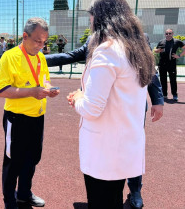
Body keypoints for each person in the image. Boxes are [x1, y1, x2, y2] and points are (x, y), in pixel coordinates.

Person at [46, 33, 163, 209]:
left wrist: (158, 100)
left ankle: (135, 190)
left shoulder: (138, 37)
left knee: (129, 150)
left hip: (129, 112)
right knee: (105, 159)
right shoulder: (94, 37)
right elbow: (73, 55)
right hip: (101, 109)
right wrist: (38, 58)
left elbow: (149, 69)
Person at [67, 0, 156, 209]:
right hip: (124, 146)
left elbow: (91, 108)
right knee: (113, 200)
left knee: (102, 202)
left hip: (104, 151)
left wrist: (77, 96)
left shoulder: (107, 51)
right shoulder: (135, 49)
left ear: (100, 17)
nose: (89, 21)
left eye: (91, 16)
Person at [0, 17, 59, 209]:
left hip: (37, 117)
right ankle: (9, 201)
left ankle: (24, 194)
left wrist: (49, 89)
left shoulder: (40, 57)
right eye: (37, 41)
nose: (41, 46)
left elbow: (44, 80)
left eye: (44, 42)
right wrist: (33, 91)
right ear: (25, 36)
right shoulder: (9, 57)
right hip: (17, 119)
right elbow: (2, 91)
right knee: (12, 162)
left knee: (32, 160)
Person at [154, 28, 185, 101]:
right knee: (163, 80)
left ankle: (174, 95)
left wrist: (179, 56)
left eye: (170, 33)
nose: (168, 35)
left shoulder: (177, 42)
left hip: (172, 64)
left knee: (173, 80)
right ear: (165, 34)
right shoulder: (161, 42)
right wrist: (158, 50)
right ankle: (164, 95)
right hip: (162, 64)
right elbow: (155, 50)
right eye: (166, 33)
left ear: (172, 34)